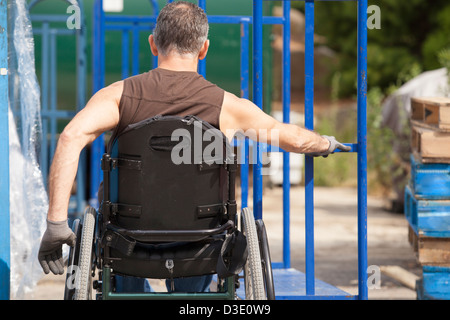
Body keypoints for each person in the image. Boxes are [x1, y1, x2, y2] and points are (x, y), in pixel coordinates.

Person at [38, 1, 350, 293]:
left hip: (126, 239)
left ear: (153, 44)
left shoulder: (118, 96)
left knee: (116, 230)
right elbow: (292, 138)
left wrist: (56, 224)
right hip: (201, 242)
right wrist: (327, 142)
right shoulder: (226, 104)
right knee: (209, 233)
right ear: (203, 49)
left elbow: (69, 138)